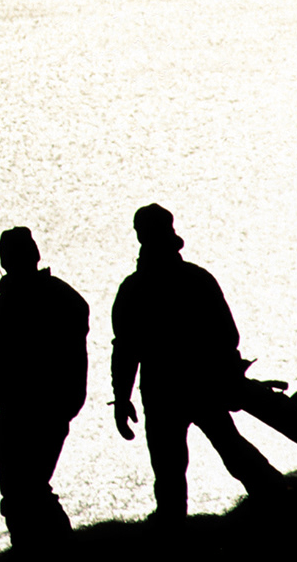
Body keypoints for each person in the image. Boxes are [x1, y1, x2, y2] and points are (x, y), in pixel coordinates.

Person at [110, 204, 284, 522]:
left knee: (174, 462)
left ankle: (173, 520)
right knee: (221, 446)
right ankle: (272, 491)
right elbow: (228, 335)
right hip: (199, 383)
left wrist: (122, 398)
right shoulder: (195, 278)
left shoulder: (134, 289)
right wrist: (228, 375)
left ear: (141, 236)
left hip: (166, 389)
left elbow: (125, 350)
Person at [0, 226, 88, 548]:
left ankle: (43, 553)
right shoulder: (63, 296)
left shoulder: (11, 304)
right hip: (56, 406)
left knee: (23, 491)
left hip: (25, 410)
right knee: (30, 488)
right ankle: (49, 551)